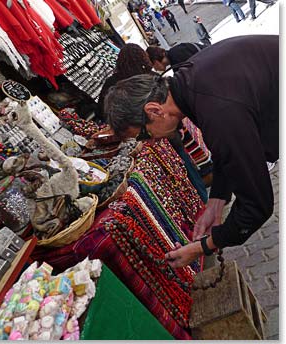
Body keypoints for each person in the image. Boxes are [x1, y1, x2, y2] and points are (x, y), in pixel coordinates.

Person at [104, 35, 278, 267]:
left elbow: (257, 206)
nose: (152, 142)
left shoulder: (216, 110)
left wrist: (202, 247)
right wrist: (216, 200)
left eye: (144, 135)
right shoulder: (190, 81)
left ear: (155, 110)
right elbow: (227, 153)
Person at [95, 43, 153, 120]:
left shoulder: (112, 82)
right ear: (143, 57)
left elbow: (101, 109)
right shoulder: (150, 77)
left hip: (124, 124)